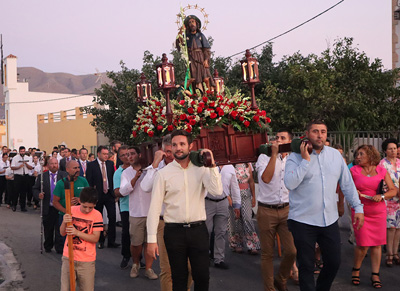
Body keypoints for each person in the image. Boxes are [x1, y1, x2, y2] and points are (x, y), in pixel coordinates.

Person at [284, 120, 364, 291]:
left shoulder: (335, 156)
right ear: (307, 134)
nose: (319, 135)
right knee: (306, 265)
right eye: (315, 131)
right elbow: (290, 183)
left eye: (323, 131)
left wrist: (358, 208)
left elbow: (347, 184)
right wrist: (305, 160)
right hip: (302, 220)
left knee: (334, 262)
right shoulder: (295, 157)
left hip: (329, 219)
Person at [147, 130, 223, 291]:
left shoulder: (201, 169)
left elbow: (216, 191)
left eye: (182, 144)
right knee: (178, 278)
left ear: (191, 146)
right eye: (174, 145)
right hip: (174, 232)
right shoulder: (163, 174)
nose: (178, 148)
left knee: (202, 277)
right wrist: (151, 239)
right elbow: (154, 208)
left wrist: (211, 164)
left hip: (198, 230)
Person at [141, 134, 192, 290]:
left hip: (187, 223)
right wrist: (155, 164)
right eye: (168, 151)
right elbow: (145, 187)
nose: (171, 154)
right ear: (162, 151)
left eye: (174, 149)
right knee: (167, 269)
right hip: (164, 223)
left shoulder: (188, 166)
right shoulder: (158, 169)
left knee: (190, 268)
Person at [350, 145, 396, 288]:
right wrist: (353, 191)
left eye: (361, 154)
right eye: (357, 154)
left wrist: (381, 196)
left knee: (377, 244)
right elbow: (344, 187)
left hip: (378, 212)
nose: (357, 157)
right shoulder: (353, 170)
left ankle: (375, 274)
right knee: (362, 245)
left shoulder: (381, 171)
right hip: (360, 211)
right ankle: (356, 269)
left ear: (370, 155)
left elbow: (393, 190)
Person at [256, 129, 296, 291]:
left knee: (292, 251)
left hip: (287, 209)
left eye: (282, 138)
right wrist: (274, 155)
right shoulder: (264, 157)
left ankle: (281, 278)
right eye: (276, 137)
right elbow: (265, 178)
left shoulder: (293, 159)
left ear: (289, 141)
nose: (278, 140)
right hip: (266, 210)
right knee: (267, 254)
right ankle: (269, 288)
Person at [119, 146, 157, 279]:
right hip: (135, 213)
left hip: (150, 212)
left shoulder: (149, 169)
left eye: (132, 154)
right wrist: (135, 178)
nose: (129, 156)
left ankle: (148, 268)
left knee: (149, 242)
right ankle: (135, 264)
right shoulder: (126, 173)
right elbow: (123, 191)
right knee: (136, 243)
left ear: (139, 155)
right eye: (127, 154)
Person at [60, 187, 103, 291]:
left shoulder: (97, 215)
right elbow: (62, 232)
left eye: (90, 207)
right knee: (66, 288)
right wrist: (65, 221)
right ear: (79, 201)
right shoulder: (71, 210)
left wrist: (77, 232)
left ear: (95, 204)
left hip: (86, 260)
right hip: (68, 257)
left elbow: (95, 238)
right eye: (84, 206)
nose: (87, 210)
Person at [206, 164, 241, 270]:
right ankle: (205, 256)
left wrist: (237, 204)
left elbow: (234, 185)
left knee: (221, 232)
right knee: (206, 230)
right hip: (207, 201)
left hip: (223, 202)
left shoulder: (229, 167)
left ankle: (219, 259)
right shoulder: (206, 164)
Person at [53, 160, 90, 253]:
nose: (77, 170)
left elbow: (90, 198)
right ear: (67, 169)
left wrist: (80, 200)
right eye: (75, 168)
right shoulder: (61, 183)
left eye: (78, 167)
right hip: (66, 217)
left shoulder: (83, 181)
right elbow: (55, 202)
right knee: (67, 240)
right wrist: (66, 211)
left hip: (81, 217)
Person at [86, 146, 119, 249]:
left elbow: (112, 179)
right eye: (104, 154)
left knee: (112, 217)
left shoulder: (110, 164)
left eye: (107, 154)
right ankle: (100, 240)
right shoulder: (91, 165)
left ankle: (111, 241)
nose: (106, 156)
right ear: (98, 154)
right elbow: (89, 181)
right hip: (98, 195)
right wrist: (92, 196)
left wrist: (114, 193)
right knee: (98, 219)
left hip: (109, 194)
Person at [33, 157, 68, 253]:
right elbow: (35, 189)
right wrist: (38, 195)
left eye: (56, 163)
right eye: (52, 164)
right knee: (48, 228)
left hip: (60, 207)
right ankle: (48, 245)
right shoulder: (42, 176)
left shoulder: (64, 175)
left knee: (59, 228)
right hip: (48, 206)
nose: (54, 165)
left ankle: (59, 247)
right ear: (48, 165)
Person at [176, 15, 215, 91]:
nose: (191, 24)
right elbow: (179, 43)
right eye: (189, 22)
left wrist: (206, 59)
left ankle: (208, 94)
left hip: (201, 58)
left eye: (193, 21)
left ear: (196, 24)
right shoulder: (186, 36)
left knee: (206, 77)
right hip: (191, 59)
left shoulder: (200, 35)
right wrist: (181, 30)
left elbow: (206, 49)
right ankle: (197, 94)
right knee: (194, 79)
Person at [378, 139, 400, 267]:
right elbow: (381, 182)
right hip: (390, 199)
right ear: (385, 150)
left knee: (398, 229)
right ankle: (389, 254)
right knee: (391, 228)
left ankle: (396, 253)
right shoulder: (382, 164)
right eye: (390, 148)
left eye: (395, 148)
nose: (393, 151)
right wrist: (392, 191)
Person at [230, 162, 260, 254]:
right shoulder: (230, 165)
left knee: (247, 218)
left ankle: (253, 244)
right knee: (236, 219)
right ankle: (237, 243)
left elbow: (251, 181)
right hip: (234, 194)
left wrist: (253, 197)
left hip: (246, 194)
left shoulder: (248, 164)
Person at [113, 145, 131, 269]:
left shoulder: (138, 168)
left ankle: (138, 257)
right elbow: (117, 192)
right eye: (123, 155)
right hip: (126, 207)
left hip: (140, 207)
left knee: (139, 235)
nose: (127, 157)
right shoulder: (118, 173)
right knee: (126, 233)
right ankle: (126, 255)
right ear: (119, 157)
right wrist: (128, 188)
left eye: (128, 154)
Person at [10, 146, 33, 212]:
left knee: (24, 192)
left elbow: (31, 167)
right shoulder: (15, 158)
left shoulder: (28, 158)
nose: (22, 152)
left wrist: (26, 164)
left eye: (23, 151)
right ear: (19, 151)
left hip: (25, 176)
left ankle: (23, 207)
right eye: (21, 151)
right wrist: (19, 167)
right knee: (16, 191)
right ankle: (14, 205)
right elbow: (12, 167)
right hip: (18, 176)